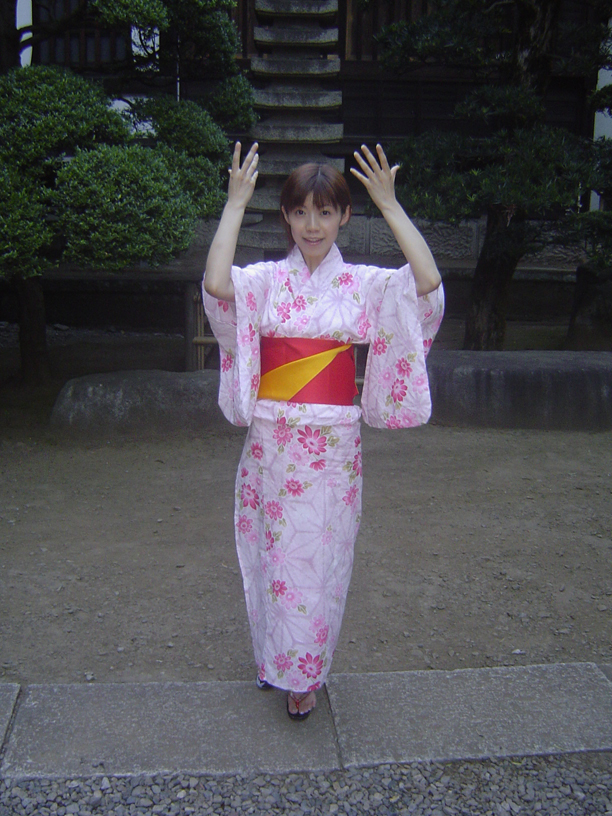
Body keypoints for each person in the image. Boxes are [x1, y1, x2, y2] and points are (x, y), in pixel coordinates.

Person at [203, 142, 444, 720]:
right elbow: (216, 285)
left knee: (318, 564)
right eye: (301, 212)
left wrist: (390, 204)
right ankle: (274, 659)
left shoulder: (362, 283)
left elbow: (427, 282)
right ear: (286, 218)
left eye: (326, 212)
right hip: (272, 442)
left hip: (331, 448)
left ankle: (304, 674)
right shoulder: (266, 281)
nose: (312, 225)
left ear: (343, 217)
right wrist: (235, 204)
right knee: (272, 558)